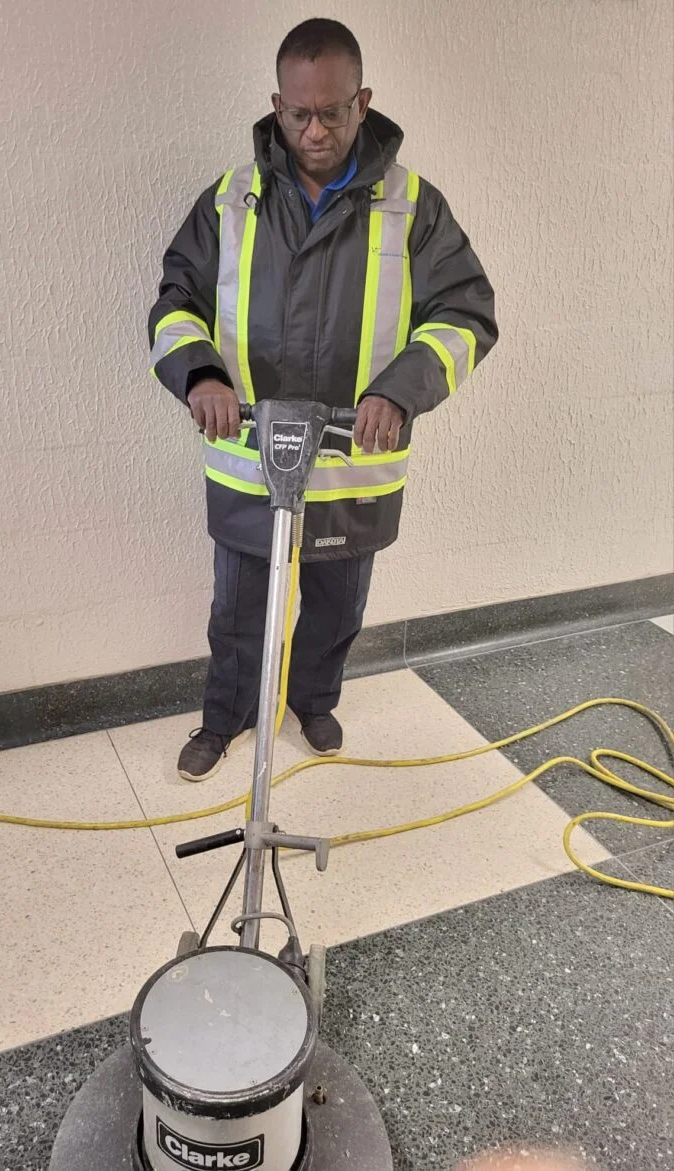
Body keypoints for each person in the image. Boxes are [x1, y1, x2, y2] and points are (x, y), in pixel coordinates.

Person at [148, 18, 497, 781]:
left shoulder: (411, 205)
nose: (315, 131)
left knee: (338, 603)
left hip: (352, 459)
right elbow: (175, 303)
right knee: (239, 606)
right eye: (300, 114)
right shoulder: (232, 200)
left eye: (332, 112)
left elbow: (465, 314)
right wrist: (201, 375)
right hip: (250, 455)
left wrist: (400, 392)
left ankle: (313, 699)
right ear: (278, 106)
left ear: (362, 101)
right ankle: (226, 716)